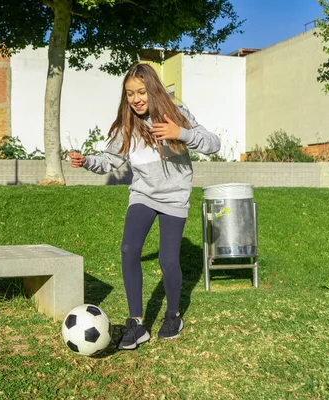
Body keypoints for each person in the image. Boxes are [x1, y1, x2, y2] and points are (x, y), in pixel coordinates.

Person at [68, 63, 220, 350]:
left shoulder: (177, 115)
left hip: (175, 197)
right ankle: (137, 323)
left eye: (141, 92)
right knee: (128, 249)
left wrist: (181, 133)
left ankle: (173, 315)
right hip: (143, 195)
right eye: (129, 93)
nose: (135, 99)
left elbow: (214, 144)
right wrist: (86, 161)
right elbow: (109, 161)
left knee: (168, 260)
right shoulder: (127, 126)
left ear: (153, 90)